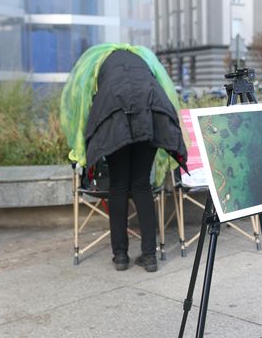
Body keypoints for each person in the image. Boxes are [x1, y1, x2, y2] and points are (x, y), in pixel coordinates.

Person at [61, 44, 187, 272]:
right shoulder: (143, 61)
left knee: (118, 186)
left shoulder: (100, 63)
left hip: (114, 114)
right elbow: (165, 91)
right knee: (141, 185)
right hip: (152, 113)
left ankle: (120, 256)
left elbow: (83, 101)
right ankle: (149, 257)